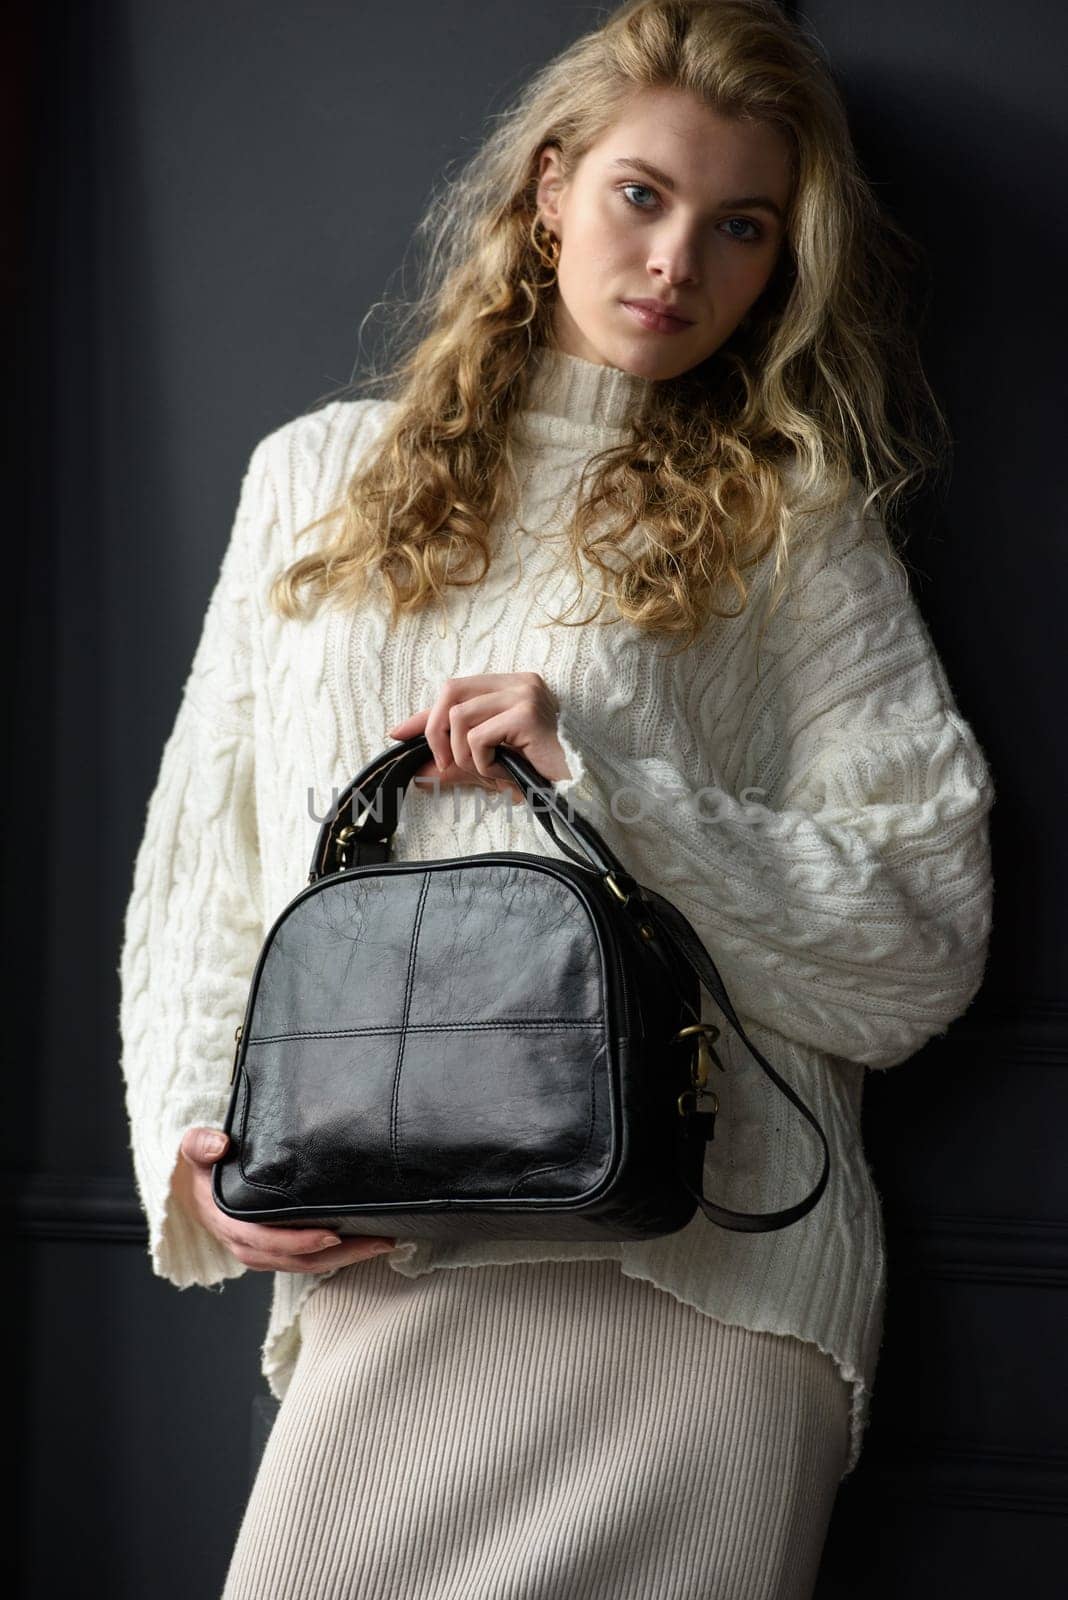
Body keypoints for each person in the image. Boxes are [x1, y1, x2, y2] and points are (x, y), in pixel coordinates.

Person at [117, 2, 995, 1595]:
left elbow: (921, 938)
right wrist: (197, 1146)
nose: (679, 264)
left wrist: (613, 787)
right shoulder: (313, 480)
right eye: (641, 197)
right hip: (387, 1249)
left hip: (706, 1281)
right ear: (548, 188)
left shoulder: (801, 530)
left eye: (742, 228)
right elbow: (208, 859)